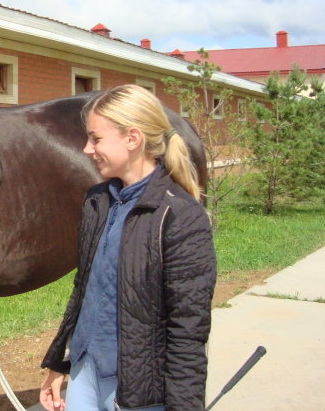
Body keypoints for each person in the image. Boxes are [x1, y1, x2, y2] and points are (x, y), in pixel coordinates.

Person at [39, 84, 216, 411]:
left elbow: (188, 332)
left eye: (96, 138)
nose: (86, 149)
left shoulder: (180, 217)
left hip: (139, 392)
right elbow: (84, 292)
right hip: (85, 374)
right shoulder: (97, 201)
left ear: (132, 139)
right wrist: (59, 364)